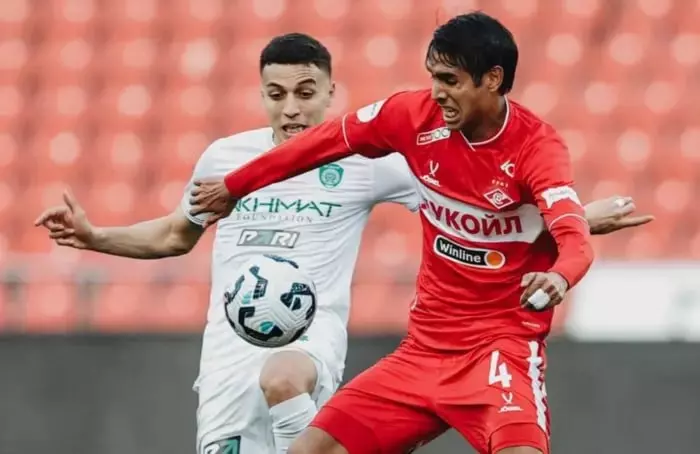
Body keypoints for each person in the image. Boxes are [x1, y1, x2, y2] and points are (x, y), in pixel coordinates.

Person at [35, 31, 650, 454]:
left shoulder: (388, 162)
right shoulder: (227, 157)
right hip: (238, 355)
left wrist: (570, 229)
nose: (291, 108)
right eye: (276, 94)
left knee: (283, 377)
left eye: (306, 93)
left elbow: (493, 207)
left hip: (325, 339)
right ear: (261, 94)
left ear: (330, 93)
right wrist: (94, 236)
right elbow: (175, 234)